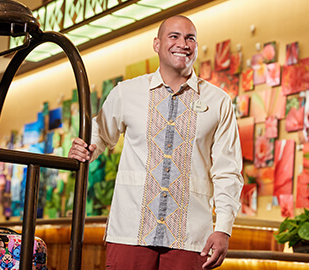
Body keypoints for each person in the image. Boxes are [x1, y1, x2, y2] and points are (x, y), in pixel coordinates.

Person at [68, 15, 243, 270]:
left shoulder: (219, 102)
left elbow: (228, 171)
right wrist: (85, 148)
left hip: (191, 237)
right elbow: (100, 135)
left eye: (190, 38)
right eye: (174, 36)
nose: (183, 43)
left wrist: (224, 228)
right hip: (130, 232)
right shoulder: (126, 92)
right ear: (157, 44)